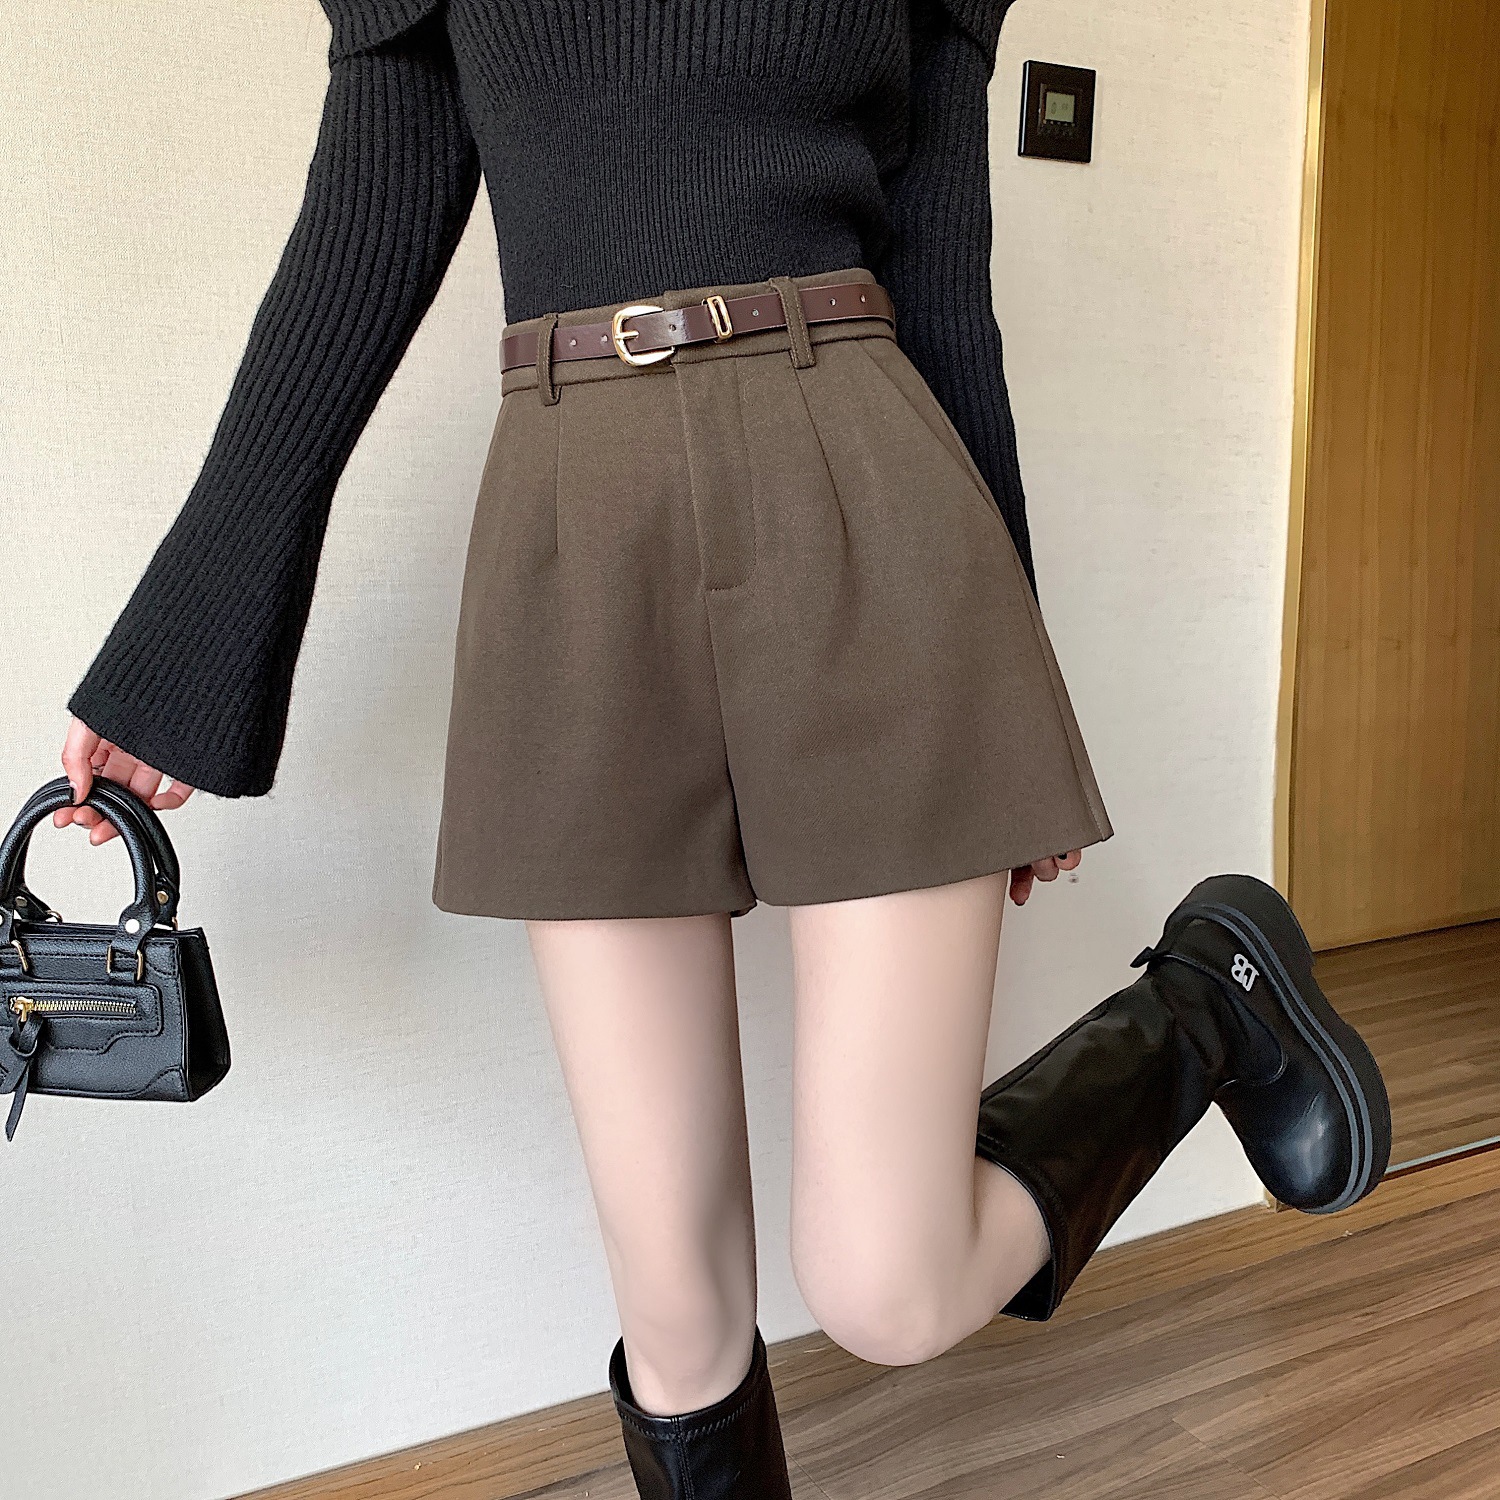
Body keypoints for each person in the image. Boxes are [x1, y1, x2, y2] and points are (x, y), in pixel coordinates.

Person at [54, 2, 1393, 1496]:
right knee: (676, 1315)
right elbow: (358, 244)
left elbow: (943, 274)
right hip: (573, 526)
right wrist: (187, 645)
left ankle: (1208, 1001)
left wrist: (1009, 685)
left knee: (889, 1287)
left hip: (863, 486)